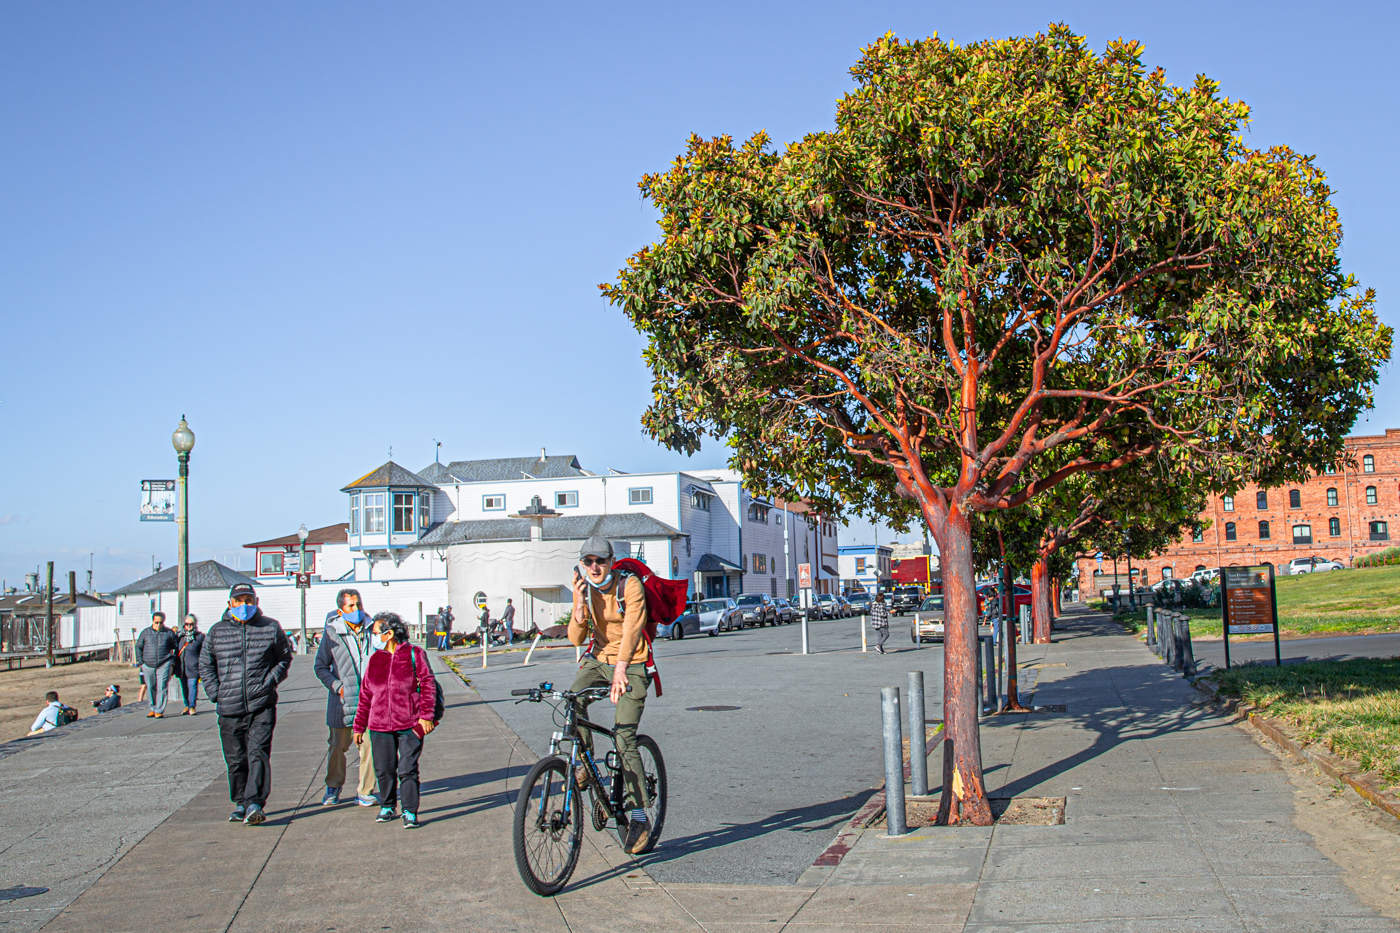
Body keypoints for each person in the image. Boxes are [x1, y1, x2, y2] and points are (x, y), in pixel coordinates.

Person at [568, 536, 653, 854]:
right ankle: (586, 767)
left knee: (623, 737)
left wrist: (621, 669)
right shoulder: (586, 589)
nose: (594, 567)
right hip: (599, 660)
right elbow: (576, 638)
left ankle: (640, 816)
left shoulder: (629, 586)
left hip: (633, 662)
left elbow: (632, 629)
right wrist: (578, 604)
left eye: (600, 561)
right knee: (571, 701)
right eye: (588, 561)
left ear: (611, 562)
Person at [199, 582, 292, 825]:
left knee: (257, 753)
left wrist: (268, 683)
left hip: (261, 704)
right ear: (230, 604)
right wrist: (216, 693)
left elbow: (283, 659)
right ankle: (240, 801)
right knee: (236, 758)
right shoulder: (217, 631)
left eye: (248, 600)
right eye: (239, 601)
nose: (244, 605)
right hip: (229, 706)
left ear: (256, 602)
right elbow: (206, 664)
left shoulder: (270, 627)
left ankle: (254, 803)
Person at [352, 612, 436, 829]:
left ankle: (409, 811)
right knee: (384, 768)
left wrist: (426, 716)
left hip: (409, 723)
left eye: (375, 633)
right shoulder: (375, 660)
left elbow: (428, 685)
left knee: (407, 768)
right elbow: (365, 695)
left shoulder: (414, 654)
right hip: (379, 725)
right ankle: (388, 805)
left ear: (388, 634)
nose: (373, 637)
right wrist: (359, 726)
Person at [314, 588, 379, 808]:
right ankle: (333, 786)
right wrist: (337, 686)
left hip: (369, 702)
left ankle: (365, 791)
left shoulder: (373, 629)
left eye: (358, 604)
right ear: (341, 610)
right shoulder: (332, 633)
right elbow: (320, 666)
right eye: (351, 605)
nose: (356, 609)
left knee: (369, 747)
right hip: (342, 703)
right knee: (337, 747)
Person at [134, 611, 178, 718]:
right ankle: (152, 708)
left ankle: (159, 710)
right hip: (148, 664)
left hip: (164, 663)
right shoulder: (145, 633)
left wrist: (172, 661)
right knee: (150, 687)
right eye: (156, 622)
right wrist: (141, 662)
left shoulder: (169, 633)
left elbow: (176, 647)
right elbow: (138, 646)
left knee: (162, 687)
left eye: (160, 623)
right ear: (153, 621)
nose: (158, 625)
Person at [175, 614, 204, 715]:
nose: (189, 627)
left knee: (192, 686)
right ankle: (186, 705)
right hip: (182, 667)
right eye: (187, 624)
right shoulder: (180, 637)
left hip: (194, 666)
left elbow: (204, 652)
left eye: (191, 624)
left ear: (195, 625)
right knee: (184, 688)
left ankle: (192, 706)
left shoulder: (199, 637)